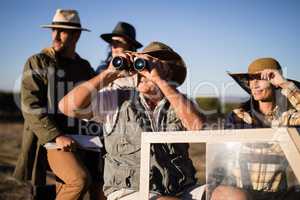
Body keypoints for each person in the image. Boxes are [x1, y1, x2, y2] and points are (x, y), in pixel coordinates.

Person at [59, 41, 206, 199]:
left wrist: (160, 81)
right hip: (130, 191)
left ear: (168, 72)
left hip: (181, 188)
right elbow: (67, 107)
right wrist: (109, 74)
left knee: (229, 194)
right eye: (142, 65)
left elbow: (198, 126)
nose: (144, 72)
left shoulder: (178, 102)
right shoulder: (117, 99)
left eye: (152, 65)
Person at [13, 9, 105, 200]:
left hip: (84, 140)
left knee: (100, 186)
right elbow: (31, 106)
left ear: (77, 34)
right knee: (79, 180)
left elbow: (93, 103)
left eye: (62, 31)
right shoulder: (38, 62)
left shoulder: (84, 67)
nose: (55, 35)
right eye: (53, 29)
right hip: (51, 140)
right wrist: (57, 135)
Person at [210, 58, 300, 200]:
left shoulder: (287, 117)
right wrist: (214, 189)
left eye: (261, 78)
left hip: (275, 196)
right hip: (237, 193)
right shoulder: (237, 117)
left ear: (275, 82)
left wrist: (285, 84)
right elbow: (221, 158)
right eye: (251, 79)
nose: (254, 84)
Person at [96, 21, 143, 89]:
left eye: (118, 42)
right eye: (112, 42)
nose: (113, 46)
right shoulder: (101, 68)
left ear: (130, 45)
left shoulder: (140, 71)